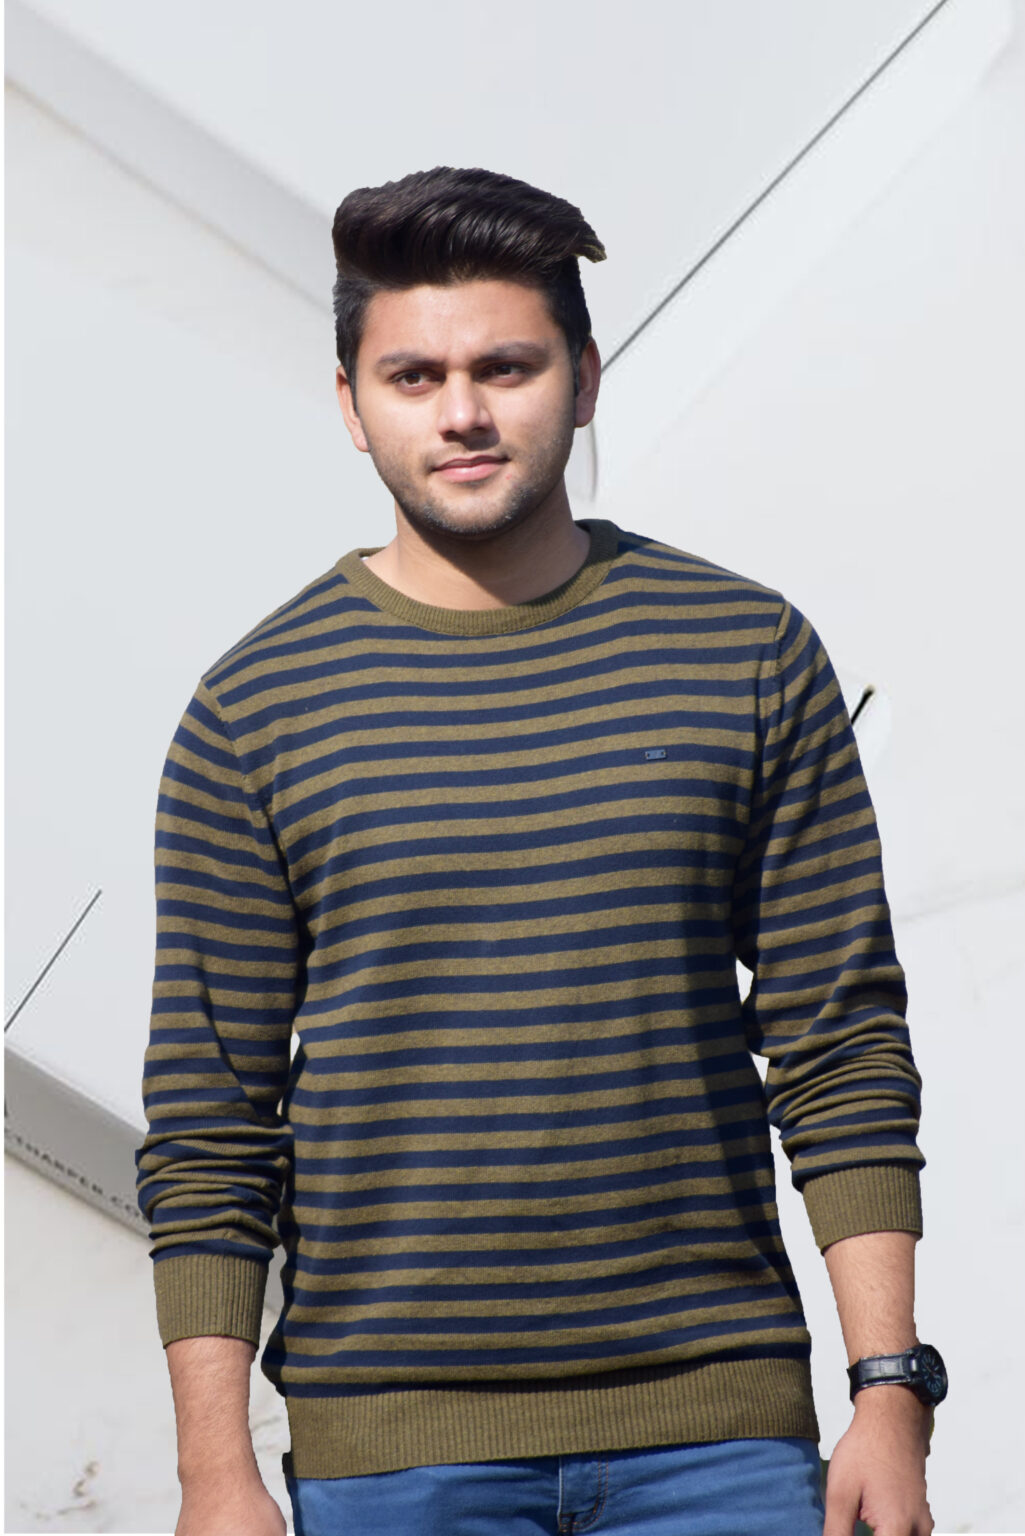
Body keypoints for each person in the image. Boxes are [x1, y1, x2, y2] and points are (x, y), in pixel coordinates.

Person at [135, 166, 946, 1536]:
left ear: (583, 378)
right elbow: (212, 1123)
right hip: (391, 1456)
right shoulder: (255, 711)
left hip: (721, 1441)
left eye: (504, 368)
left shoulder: (744, 653)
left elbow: (839, 1043)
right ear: (351, 404)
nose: (460, 412)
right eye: (412, 377)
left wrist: (889, 1390)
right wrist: (213, 1472)